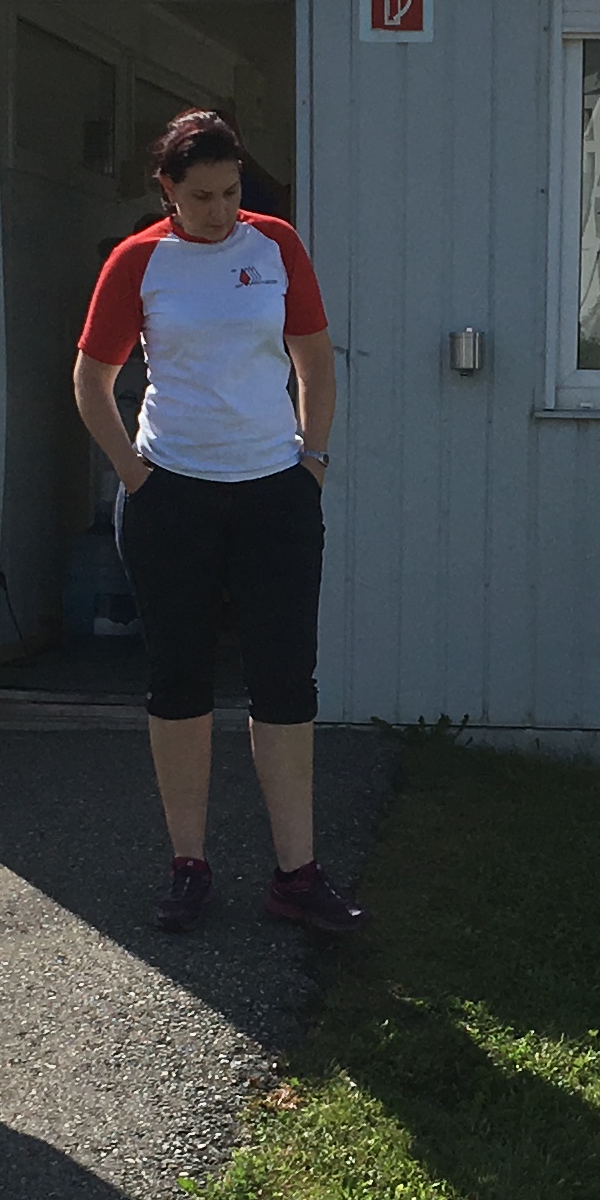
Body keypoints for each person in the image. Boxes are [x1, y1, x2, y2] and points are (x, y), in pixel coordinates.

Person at [71, 108, 364, 937]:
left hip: (274, 492)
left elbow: (315, 361)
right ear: (167, 189)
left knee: (285, 683)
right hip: (172, 495)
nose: (220, 211)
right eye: (200, 196)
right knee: (180, 682)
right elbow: (91, 380)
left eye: (231, 192)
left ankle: (297, 874)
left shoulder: (275, 246)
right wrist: (135, 475)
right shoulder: (138, 260)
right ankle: (188, 865)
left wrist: (312, 462)